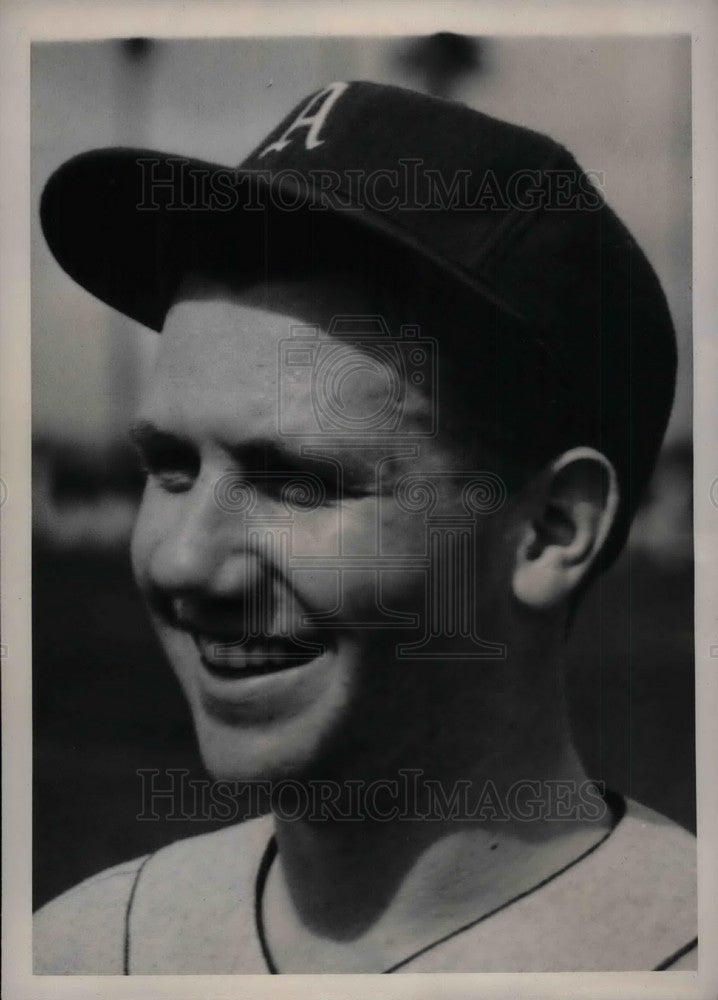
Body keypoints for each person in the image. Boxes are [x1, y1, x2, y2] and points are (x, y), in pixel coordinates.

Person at [33, 80, 696, 974]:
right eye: (171, 469)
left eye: (299, 482)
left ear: (549, 529)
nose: (188, 562)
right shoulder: (75, 950)